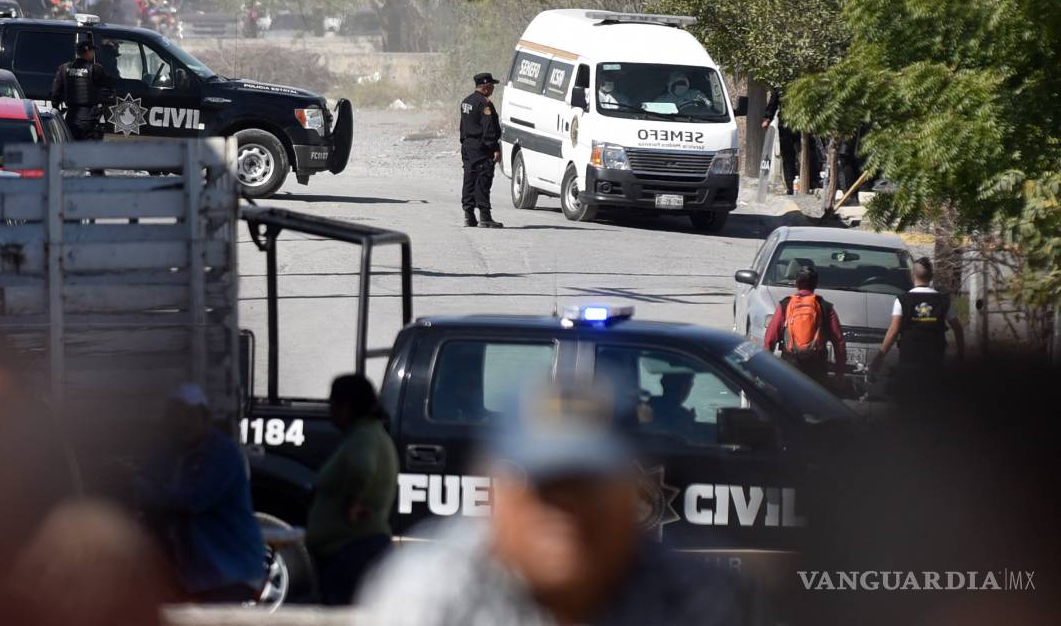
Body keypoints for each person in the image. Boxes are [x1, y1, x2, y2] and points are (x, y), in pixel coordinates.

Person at [359, 383, 758, 625]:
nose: (566, 510)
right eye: (544, 486)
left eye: (589, 484)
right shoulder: (433, 593)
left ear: (632, 497)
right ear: (496, 496)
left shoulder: (695, 598)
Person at [134, 384, 267, 604]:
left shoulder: (221, 452)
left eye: (189, 415)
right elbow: (146, 480)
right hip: (199, 574)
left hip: (229, 571)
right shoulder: (171, 450)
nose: (183, 422)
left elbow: (192, 499)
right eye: (176, 416)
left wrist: (147, 489)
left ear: (204, 418)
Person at [306, 375, 398, 605]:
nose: (330, 411)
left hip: (351, 552)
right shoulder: (372, 434)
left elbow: (361, 469)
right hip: (354, 550)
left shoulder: (363, 436)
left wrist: (353, 502)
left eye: (332, 404)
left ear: (345, 406)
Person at [868, 257, 965, 399]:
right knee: (932, 400)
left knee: (909, 399)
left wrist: (879, 357)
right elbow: (957, 328)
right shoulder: (943, 300)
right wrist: (961, 355)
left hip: (909, 359)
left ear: (912, 276)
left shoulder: (902, 300)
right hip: (935, 360)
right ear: (931, 277)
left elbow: (893, 331)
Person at [763, 265, 848, 388]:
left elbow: (770, 338)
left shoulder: (786, 304)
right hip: (817, 367)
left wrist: (765, 367)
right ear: (816, 284)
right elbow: (838, 341)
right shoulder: (825, 307)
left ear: (796, 283)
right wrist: (839, 372)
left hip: (790, 365)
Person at [458, 71, 503, 228]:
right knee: (483, 180)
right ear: (485, 87)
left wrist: (464, 143)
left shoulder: (466, 101)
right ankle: (485, 217)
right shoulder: (485, 104)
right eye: (491, 86)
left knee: (469, 179)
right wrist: (495, 148)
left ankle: (468, 215)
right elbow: (489, 129)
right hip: (482, 148)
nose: (492, 89)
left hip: (468, 147)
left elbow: (463, 126)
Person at [51, 40, 113, 142]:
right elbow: (109, 84)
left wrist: (56, 107)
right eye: (93, 50)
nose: (94, 53)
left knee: (71, 146)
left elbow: (55, 92)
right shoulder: (95, 69)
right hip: (89, 118)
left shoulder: (64, 68)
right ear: (87, 51)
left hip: (71, 116)